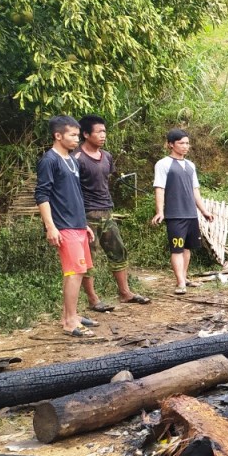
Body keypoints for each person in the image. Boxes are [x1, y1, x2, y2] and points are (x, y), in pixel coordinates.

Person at [74, 114, 150, 311]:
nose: (103, 135)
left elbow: (105, 182)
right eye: (99, 132)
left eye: (104, 131)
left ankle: (125, 293)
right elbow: (71, 189)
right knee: (87, 258)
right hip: (86, 214)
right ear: (85, 134)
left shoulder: (107, 156)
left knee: (118, 251)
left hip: (107, 211)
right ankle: (93, 299)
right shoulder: (76, 158)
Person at [35, 116, 98, 337]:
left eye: (77, 134)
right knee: (74, 272)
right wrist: (50, 227)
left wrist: (84, 224)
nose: (76, 138)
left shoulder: (71, 160)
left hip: (78, 225)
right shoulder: (49, 160)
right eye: (72, 134)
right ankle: (70, 322)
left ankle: (71, 314)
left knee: (78, 271)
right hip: (64, 226)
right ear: (58, 135)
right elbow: (42, 195)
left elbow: (74, 195)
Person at [151, 129, 214, 294]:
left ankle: (184, 277)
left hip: (191, 214)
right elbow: (159, 188)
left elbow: (195, 190)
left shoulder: (190, 165)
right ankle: (180, 283)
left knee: (187, 248)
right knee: (177, 249)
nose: (185, 146)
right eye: (181, 143)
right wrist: (160, 211)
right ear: (171, 144)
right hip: (175, 215)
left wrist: (204, 211)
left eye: (187, 143)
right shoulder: (163, 164)